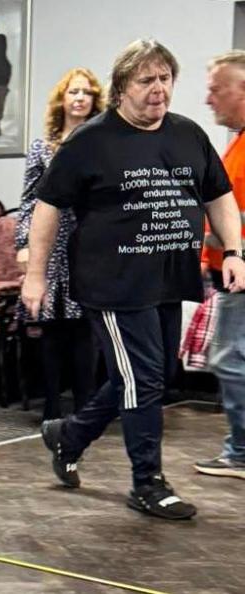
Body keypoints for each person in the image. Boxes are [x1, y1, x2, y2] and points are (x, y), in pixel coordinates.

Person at [23, 39, 245, 520]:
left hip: (168, 278)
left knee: (150, 375)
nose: (158, 89)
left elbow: (219, 196)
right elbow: (47, 207)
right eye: (147, 80)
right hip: (113, 284)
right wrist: (35, 276)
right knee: (141, 379)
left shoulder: (188, 134)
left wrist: (234, 250)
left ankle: (70, 435)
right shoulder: (91, 140)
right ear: (123, 86)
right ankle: (148, 482)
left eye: (165, 78)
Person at [15, 68, 105, 421]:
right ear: (62, 100)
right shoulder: (42, 147)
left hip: (91, 247)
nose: (80, 98)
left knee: (86, 330)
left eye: (86, 93)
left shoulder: (102, 146)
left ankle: (84, 409)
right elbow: (28, 201)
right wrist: (24, 244)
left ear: (95, 101)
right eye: (73, 92)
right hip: (50, 244)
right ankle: (51, 409)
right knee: (52, 329)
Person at [194, 50, 245, 480]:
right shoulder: (237, 143)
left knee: (228, 359)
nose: (208, 99)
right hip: (228, 275)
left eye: (216, 89)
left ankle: (242, 452)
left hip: (240, 280)